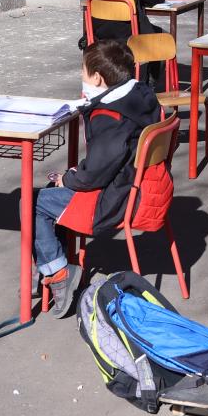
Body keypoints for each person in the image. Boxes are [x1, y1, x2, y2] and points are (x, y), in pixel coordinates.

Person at [35, 40, 160, 316]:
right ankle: (48, 263)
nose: (80, 75)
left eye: (82, 70)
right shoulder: (142, 95)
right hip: (139, 186)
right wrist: (75, 175)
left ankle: (56, 273)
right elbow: (108, 161)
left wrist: (69, 179)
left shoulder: (110, 115)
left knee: (35, 202)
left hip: (114, 200)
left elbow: (96, 172)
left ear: (98, 78)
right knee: (49, 192)